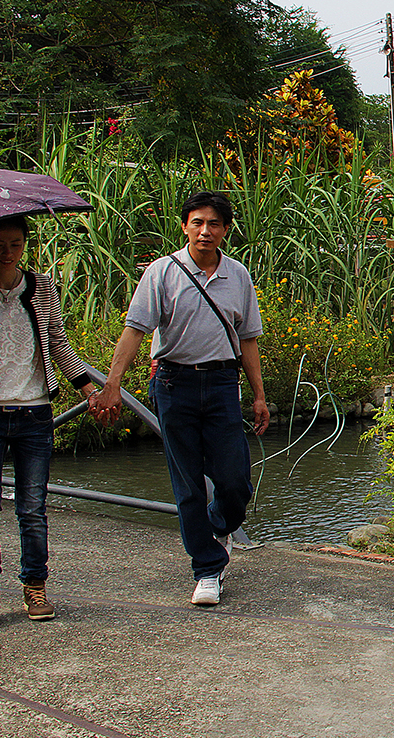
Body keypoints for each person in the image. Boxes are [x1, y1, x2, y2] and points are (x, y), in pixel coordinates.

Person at [91, 192, 271, 607]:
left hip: (223, 383)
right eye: (197, 222)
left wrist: (259, 395)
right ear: (185, 226)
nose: (205, 231)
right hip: (174, 385)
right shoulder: (162, 272)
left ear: (226, 230)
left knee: (234, 481)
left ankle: (219, 525)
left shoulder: (238, 276)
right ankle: (207, 569)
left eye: (213, 224)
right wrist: (113, 384)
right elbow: (135, 330)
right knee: (188, 483)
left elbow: (249, 339)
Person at [0, 215, 96, 626]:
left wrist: (89, 388)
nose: (7, 252)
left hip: (34, 413)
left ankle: (34, 585)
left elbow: (59, 346)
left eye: (15, 243)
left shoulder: (43, 287)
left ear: (24, 245)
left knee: (32, 508)